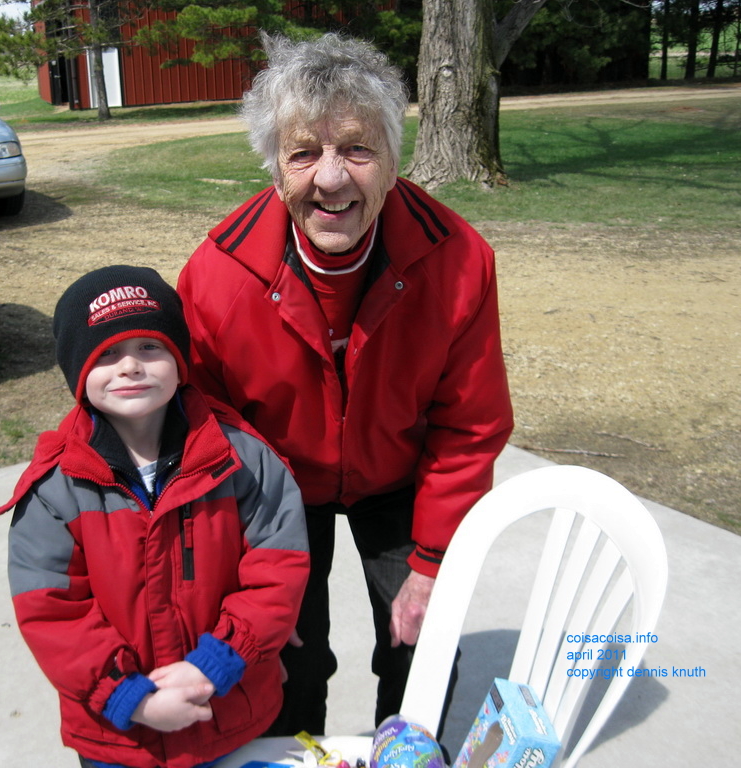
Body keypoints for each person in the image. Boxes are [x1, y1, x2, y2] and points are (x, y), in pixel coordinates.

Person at [177, 33, 514, 736]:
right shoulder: (216, 278)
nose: (331, 179)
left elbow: (470, 425)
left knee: (421, 646)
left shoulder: (458, 261)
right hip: (277, 491)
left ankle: (403, 755)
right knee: (284, 657)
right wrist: (248, 575)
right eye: (304, 153)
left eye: (356, 149)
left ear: (393, 160)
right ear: (275, 168)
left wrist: (430, 566)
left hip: (399, 475)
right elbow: (209, 441)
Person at [0, 265, 310, 768]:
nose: (130, 367)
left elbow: (277, 570)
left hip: (226, 712)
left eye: (149, 348)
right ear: (78, 372)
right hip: (119, 737)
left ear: (180, 360)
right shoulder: (56, 487)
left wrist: (214, 665)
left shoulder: (243, 458)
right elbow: (52, 609)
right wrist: (131, 698)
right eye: (106, 354)